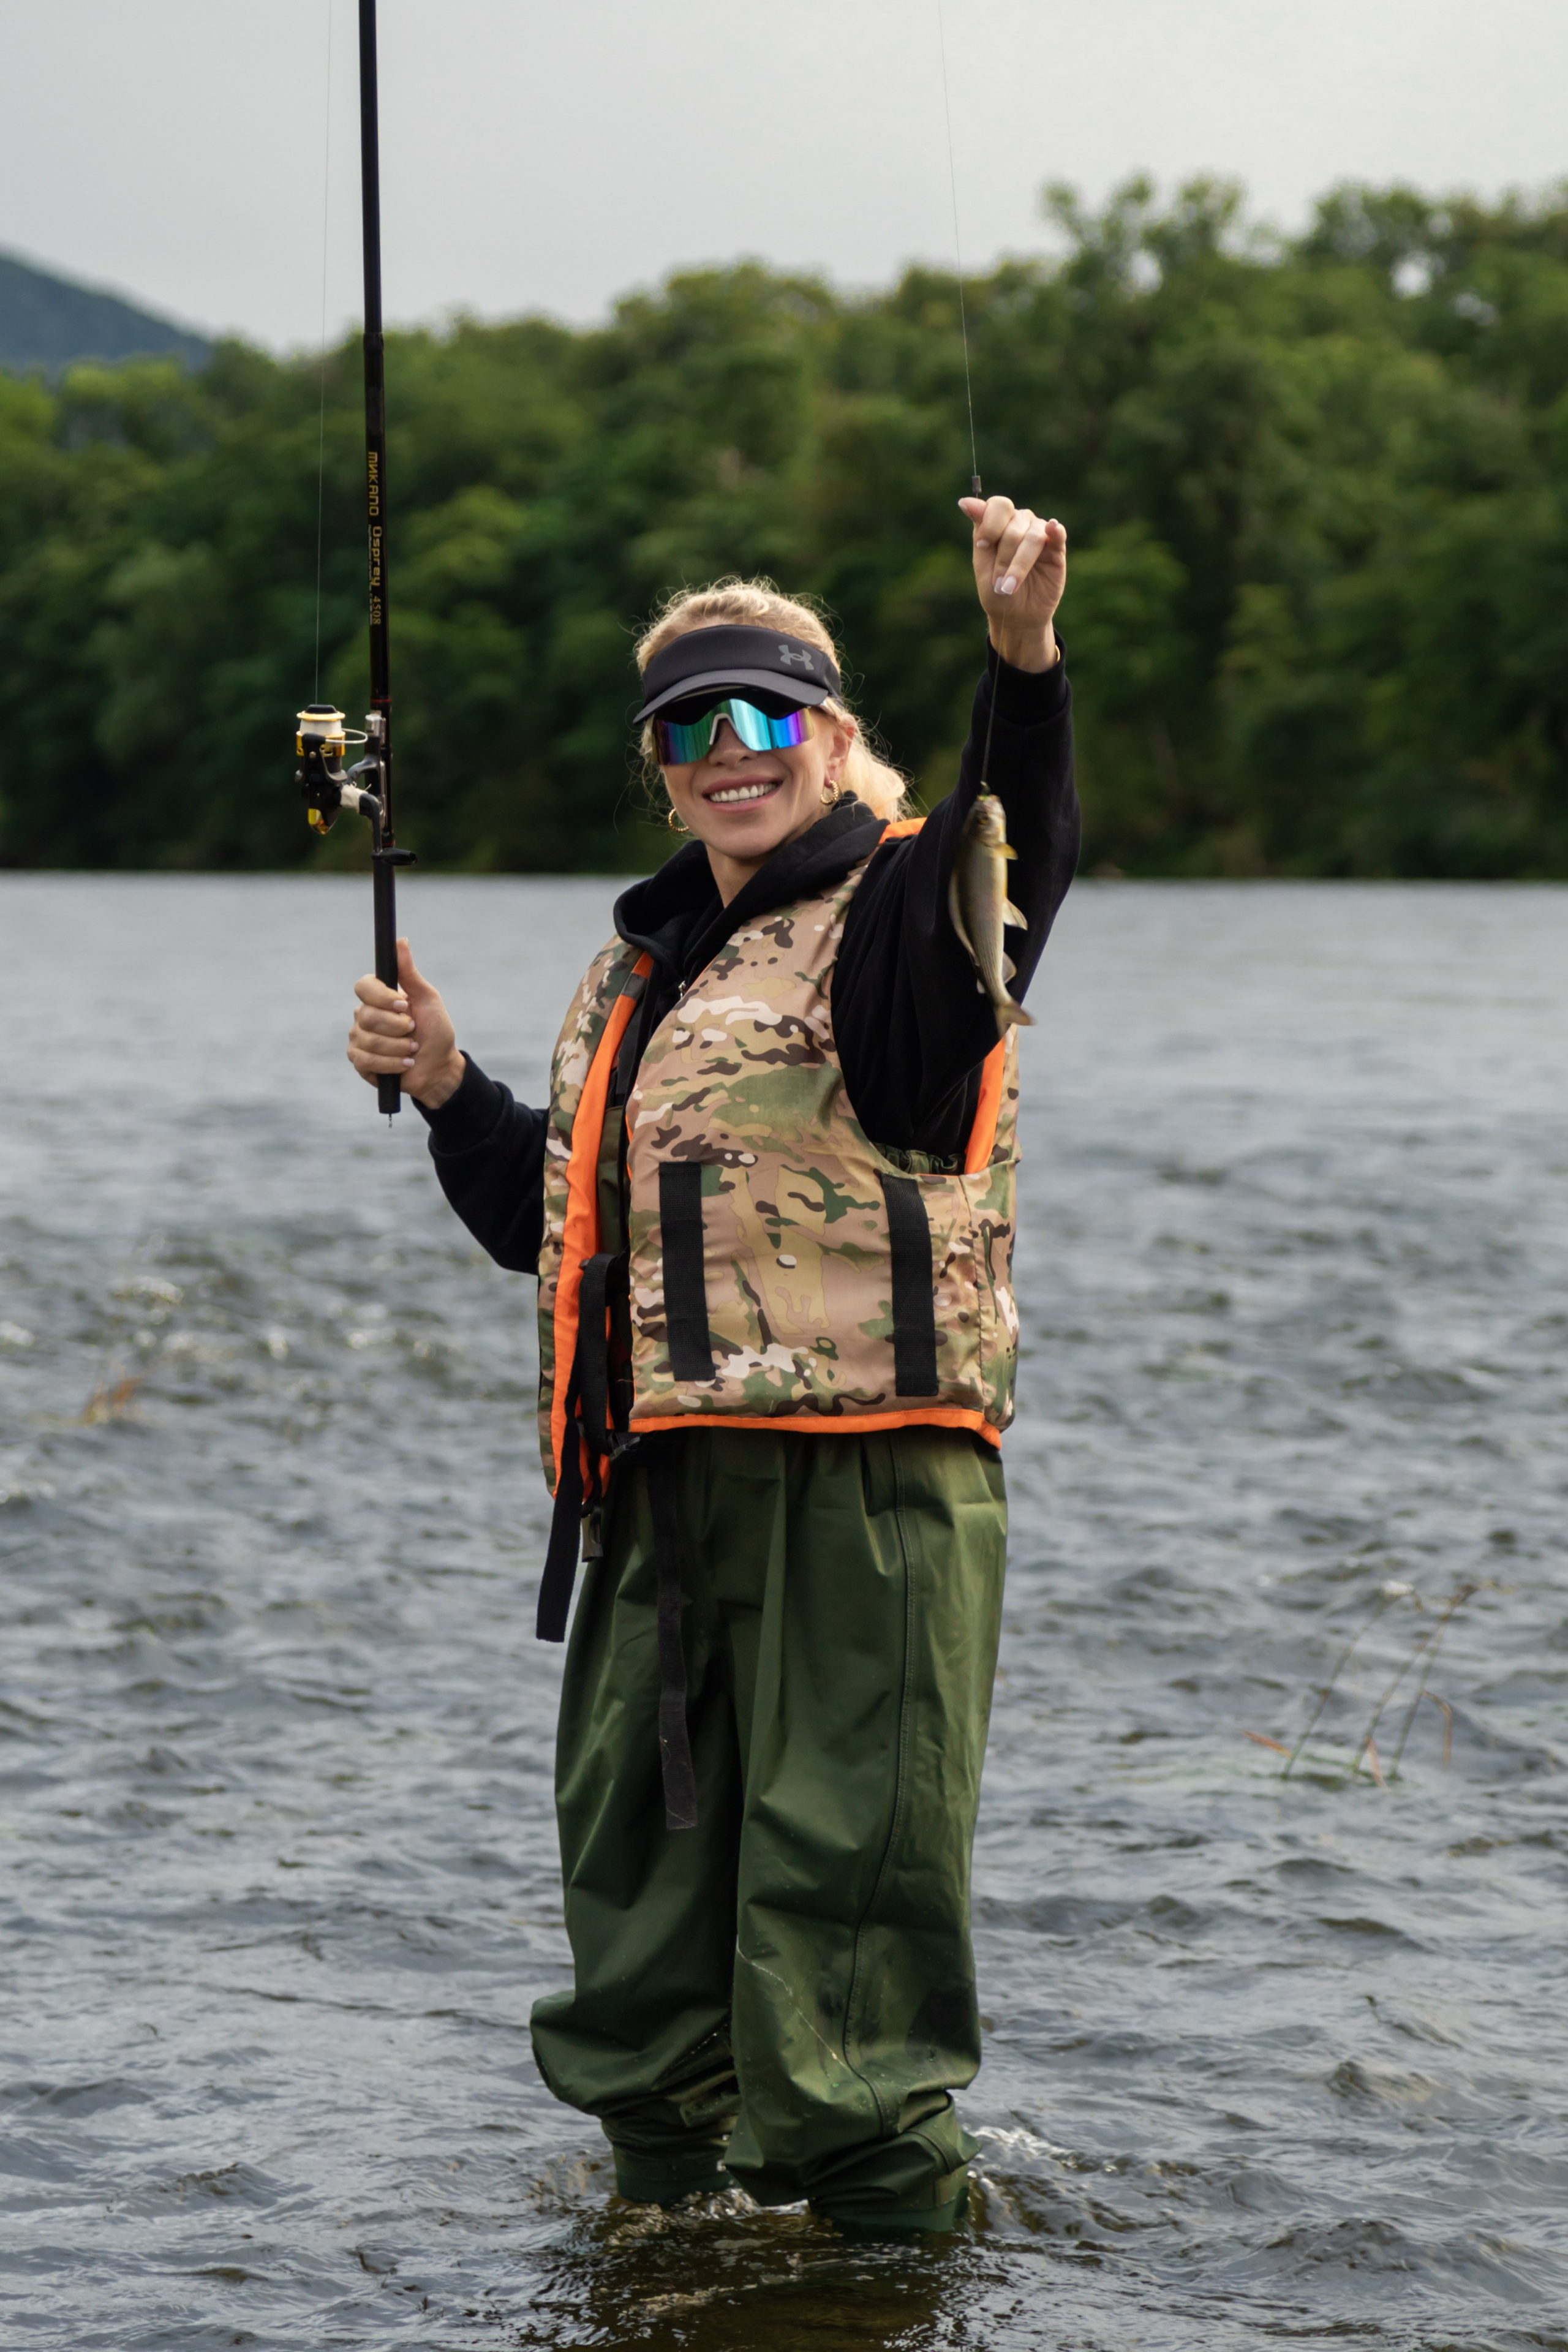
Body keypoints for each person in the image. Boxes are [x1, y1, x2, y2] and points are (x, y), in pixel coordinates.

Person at [347, 494, 1078, 2237]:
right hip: (655, 1494)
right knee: (642, 1922)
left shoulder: (918, 906)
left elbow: (1021, 844)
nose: (727, 750)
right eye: (689, 725)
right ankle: (664, 2244)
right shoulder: (647, 966)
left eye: (765, 715)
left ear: (832, 737)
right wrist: (449, 1085)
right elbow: (563, 1228)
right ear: (656, 766)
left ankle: (886, 2252)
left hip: (867, 1491)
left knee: (841, 1932)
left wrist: (1023, 661)